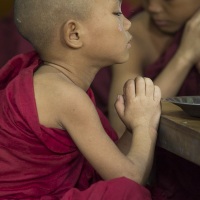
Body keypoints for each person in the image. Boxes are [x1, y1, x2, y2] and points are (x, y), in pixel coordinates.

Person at [0, 0, 162, 199]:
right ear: (74, 34)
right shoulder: (64, 95)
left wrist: (131, 129)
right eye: (117, 14)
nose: (128, 23)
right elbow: (130, 179)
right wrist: (145, 126)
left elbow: (110, 168)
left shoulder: (57, 83)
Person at [108, 0, 200, 199]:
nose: (154, 8)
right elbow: (121, 125)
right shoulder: (136, 33)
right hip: (163, 173)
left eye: (168, 0)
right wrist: (184, 56)